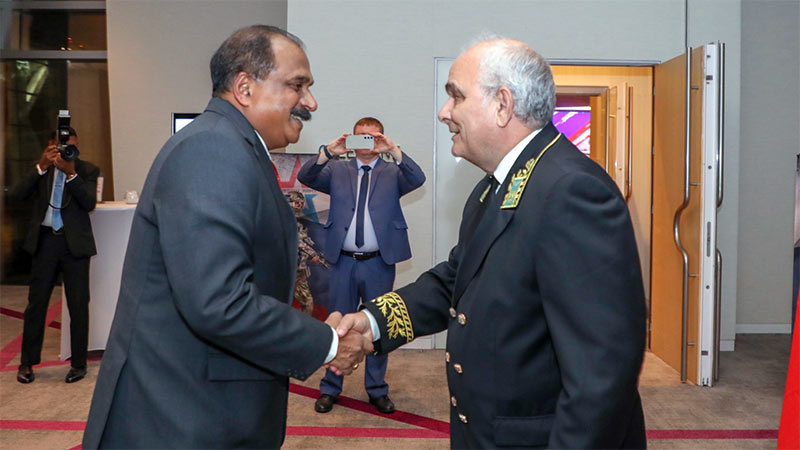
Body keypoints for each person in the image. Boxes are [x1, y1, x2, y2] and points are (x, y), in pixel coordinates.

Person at [336, 36, 648, 448]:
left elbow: (601, 375)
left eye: (456, 97)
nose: (444, 113)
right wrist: (374, 322)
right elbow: (457, 280)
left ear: (503, 105)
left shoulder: (571, 191)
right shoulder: (497, 187)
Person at [82, 25, 370, 449]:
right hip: (179, 419)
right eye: (297, 86)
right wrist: (326, 343)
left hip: (203, 407)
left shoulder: (236, 147)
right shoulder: (212, 150)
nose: (310, 102)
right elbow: (218, 300)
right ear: (244, 87)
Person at [297, 117, 425, 414]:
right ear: (351, 140)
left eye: (372, 137)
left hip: (378, 263)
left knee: (379, 325)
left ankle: (377, 389)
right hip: (342, 261)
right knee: (338, 325)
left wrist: (392, 148)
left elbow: (418, 178)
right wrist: (330, 151)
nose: (366, 142)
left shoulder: (393, 172)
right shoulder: (336, 169)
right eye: (360, 137)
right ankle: (330, 387)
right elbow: (306, 175)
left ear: (381, 138)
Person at [12, 127, 99, 385]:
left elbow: (89, 203)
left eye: (72, 147)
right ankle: (27, 363)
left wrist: (71, 173)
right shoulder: (42, 170)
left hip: (75, 247)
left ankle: (78, 365)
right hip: (46, 242)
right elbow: (17, 194)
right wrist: (41, 166)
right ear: (51, 146)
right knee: (36, 305)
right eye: (62, 146)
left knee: (78, 306)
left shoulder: (87, 170)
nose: (67, 152)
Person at [286, 190, 329, 315]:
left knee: (307, 302)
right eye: (297, 203)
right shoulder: (284, 223)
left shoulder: (297, 223)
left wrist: (313, 256)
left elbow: (303, 244)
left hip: (298, 271)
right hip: (285, 271)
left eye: (300, 203)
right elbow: (298, 244)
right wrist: (312, 255)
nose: (299, 206)